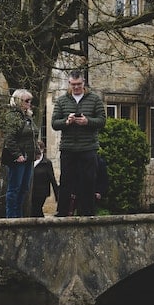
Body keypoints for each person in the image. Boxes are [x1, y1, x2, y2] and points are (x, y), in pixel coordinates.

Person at [51, 71, 106, 217]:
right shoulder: (62, 101)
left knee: (88, 180)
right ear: (69, 84)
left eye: (78, 84)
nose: (76, 87)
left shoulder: (94, 99)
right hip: (68, 147)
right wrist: (66, 122)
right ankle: (62, 212)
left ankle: (87, 213)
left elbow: (102, 120)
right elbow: (54, 123)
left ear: (83, 83)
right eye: (73, 84)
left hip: (88, 147)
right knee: (66, 181)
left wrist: (88, 121)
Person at [0, 88, 37, 218]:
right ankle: (11, 217)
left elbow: (32, 136)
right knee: (14, 188)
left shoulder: (28, 116)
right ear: (19, 101)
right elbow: (9, 139)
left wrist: (36, 151)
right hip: (18, 159)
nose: (29, 103)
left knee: (24, 188)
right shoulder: (13, 116)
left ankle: (19, 215)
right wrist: (18, 155)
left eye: (30, 101)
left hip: (29, 157)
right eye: (27, 101)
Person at [28, 141, 59, 217]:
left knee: (36, 208)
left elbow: (52, 178)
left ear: (42, 149)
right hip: (30, 191)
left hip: (41, 192)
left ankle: (40, 226)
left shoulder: (47, 163)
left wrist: (57, 195)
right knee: (34, 211)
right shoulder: (29, 161)